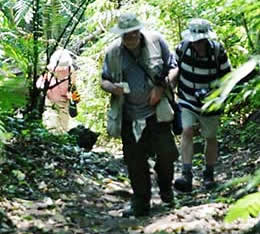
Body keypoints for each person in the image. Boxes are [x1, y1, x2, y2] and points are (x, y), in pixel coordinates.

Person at [101, 12, 179, 217]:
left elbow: (173, 68)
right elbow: (104, 80)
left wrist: (162, 88)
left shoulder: (156, 42)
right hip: (128, 115)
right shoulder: (113, 53)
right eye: (125, 35)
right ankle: (141, 201)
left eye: (133, 34)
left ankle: (166, 191)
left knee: (166, 154)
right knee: (135, 161)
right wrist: (114, 88)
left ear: (139, 31)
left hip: (156, 112)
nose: (130, 39)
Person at [170, 18, 231, 192]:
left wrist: (219, 96)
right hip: (187, 99)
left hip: (211, 102)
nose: (198, 44)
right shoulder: (182, 49)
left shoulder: (218, 51)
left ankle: (209, 174)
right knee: (187, 130)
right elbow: (174, 71)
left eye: (202, 41)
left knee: (210, 137)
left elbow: (227, 77)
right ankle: (186, 174)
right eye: (195, 41)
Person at [37, 49, 80, 134]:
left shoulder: (69, 70)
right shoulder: (50, 70)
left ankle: (59, 143)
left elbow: (39, 85)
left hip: (60, 102)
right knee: (54, 126)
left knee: (60, 127)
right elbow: (39, 85)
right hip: (51, 103)